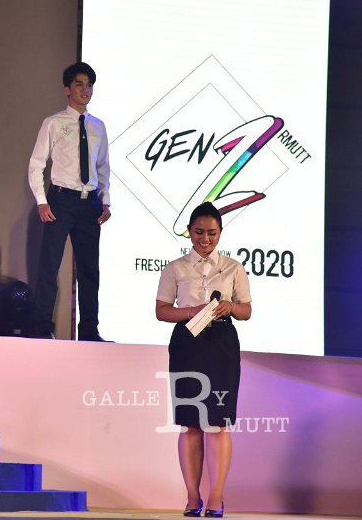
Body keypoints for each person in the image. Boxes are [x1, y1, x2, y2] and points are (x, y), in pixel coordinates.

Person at [155, 202, 252, 518]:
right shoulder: (175, 268)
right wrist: (191, 311)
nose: (205, 239)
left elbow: (246, 311)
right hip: (187, 343)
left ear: (220, 233)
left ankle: (216, 497)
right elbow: (161, 311)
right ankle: (192, 497)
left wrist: (229, 307)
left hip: (221, 344)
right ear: (189, 232)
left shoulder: (234, 267)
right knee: (191, 424)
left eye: (212, 233)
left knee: (218, 424)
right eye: (199, 232)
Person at [27, 61, 111, 341]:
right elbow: (36, 164)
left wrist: (105, 200)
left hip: (89, 204)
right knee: (49, 265)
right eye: (79, 84)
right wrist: (42, 201)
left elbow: (102, 167)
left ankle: (89, 332)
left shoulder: (98, 126)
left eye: (89, 85)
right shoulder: (54, 123)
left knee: (89, 270)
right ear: (67, 89)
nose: (85, 90)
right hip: (60, 200)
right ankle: (43, 328)